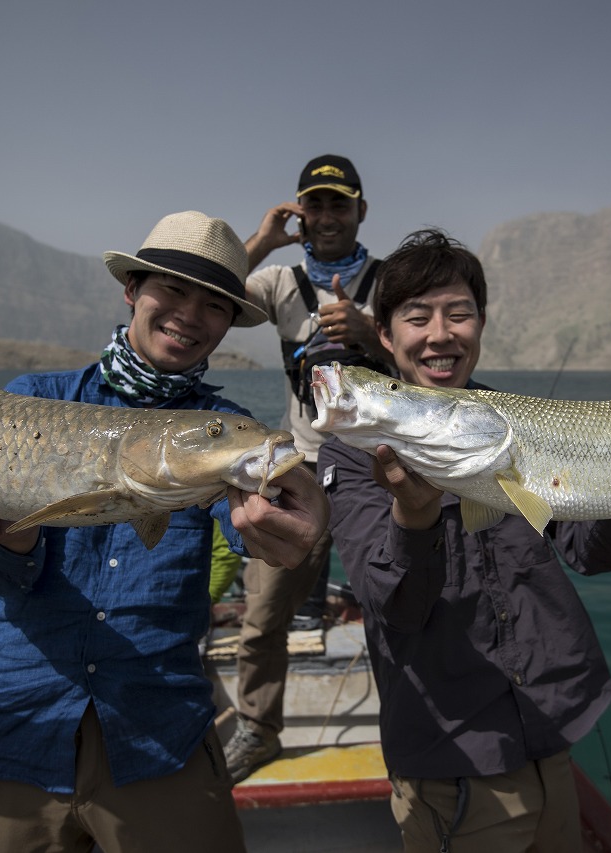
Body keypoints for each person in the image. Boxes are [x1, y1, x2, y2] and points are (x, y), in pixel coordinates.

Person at [317, 229, 611, 852]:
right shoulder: (355, 455)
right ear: (385, 335)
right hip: (454, 759)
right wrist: (415, 515)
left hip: (554, 729)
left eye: (459, 314)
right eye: (417, 318)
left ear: (481, 325)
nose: (441, 334)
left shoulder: (518, 424)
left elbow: (590, 552)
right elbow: (394, 607)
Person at [0, 211, 330, 853]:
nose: (191, 316)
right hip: (11, 727)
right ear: (132, 290)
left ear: (228, 322)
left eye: (216, 304)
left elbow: (249, 522)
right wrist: (9, 538)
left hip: (156, 733)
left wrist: (287, 531)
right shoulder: (32, 402)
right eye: (172, 290)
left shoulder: (226, 430)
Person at [223, 154, 392, 781]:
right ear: (301, 212)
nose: (326, 217)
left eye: (338, 204)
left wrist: (372, 335)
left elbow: (431, 354)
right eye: (313, 205)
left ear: (360, 212)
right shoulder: (279, 284)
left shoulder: (391, 281)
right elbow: (207, 295)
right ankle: (258, 730)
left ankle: (411, 724)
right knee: (263, 614)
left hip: (383, 470)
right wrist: (262, 240)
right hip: (303, 468)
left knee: (397, 602)